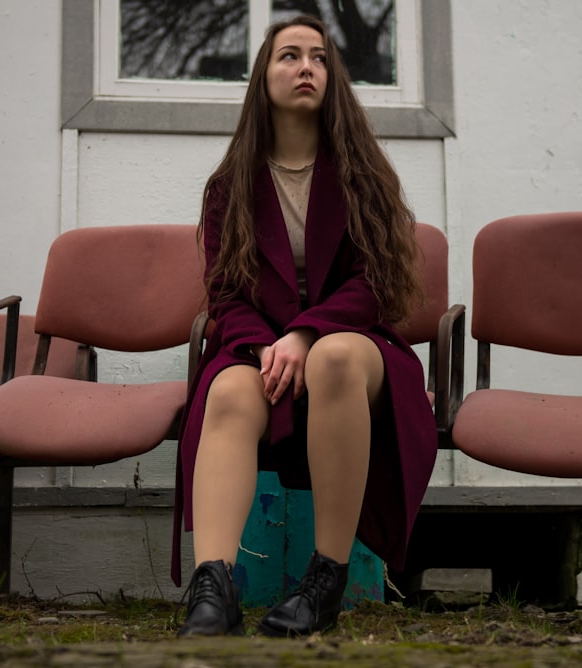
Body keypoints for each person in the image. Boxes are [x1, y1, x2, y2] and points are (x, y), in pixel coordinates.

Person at [174, 14, 438, 638]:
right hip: (256, 347)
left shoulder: (363, 176)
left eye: (319, 58)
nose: (305, 67)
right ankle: (214, 587)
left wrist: (306, 333)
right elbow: (224, 295)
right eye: (289, 56)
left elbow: (379, 285)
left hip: (358, 348)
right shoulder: (229, 188)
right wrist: (268, 346)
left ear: (332, 78)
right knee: (230, 391)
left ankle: (326, 578)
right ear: (263, 79)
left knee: (335, 358)